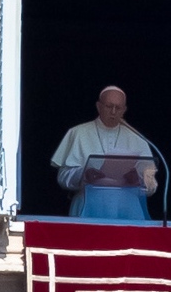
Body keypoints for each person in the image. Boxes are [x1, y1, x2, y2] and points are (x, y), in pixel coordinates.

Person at [51, 86, 158, 218]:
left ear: (124, 110)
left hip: (128, 211)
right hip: (89, 209)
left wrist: (140, 180)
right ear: (98, 106)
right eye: (109, 106)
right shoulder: (78, 133)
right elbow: (62, 177)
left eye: (118, 108)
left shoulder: (138, 139)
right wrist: (83, 174)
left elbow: (152, 186)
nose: (113, 112)